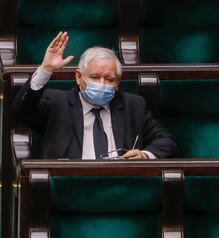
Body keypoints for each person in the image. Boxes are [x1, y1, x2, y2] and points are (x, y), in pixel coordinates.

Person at [12, 32, 176, 159]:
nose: (102, 84)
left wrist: (145, 155)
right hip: (71, 185)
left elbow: (165, 141)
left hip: (120, 183)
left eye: (110, 79)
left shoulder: (133, 106)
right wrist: (45, 70)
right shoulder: (57, 102)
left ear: (117, 82)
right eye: (95, 77)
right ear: (78, 77)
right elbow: (21, 109)